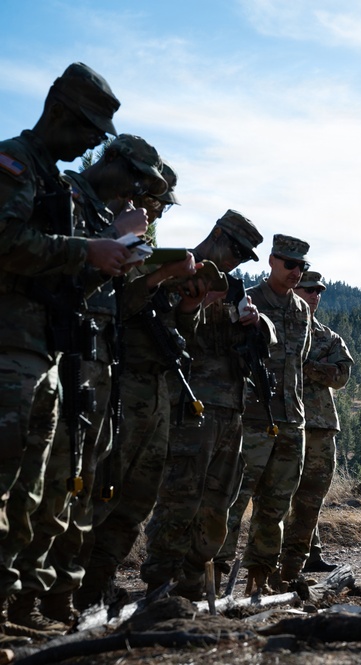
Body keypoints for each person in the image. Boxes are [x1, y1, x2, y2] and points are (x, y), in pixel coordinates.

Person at [8, 134, 169, 630]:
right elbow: (49, 274)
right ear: (113, 163)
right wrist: (111, 240)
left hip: (97, 363)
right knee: (37, 486)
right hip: (54, 353)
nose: (139, 196)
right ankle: (23, 596)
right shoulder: (66, 196)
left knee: (78, 487)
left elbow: (98, 296)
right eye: (137, 182)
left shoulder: (101, 213)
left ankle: (56, 597)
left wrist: (129, 260)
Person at [0, 62, 131, 637]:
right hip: (9, 345)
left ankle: (7, 610)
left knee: (28, 493)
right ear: (59, 111)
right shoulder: (12, 164)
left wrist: (109, 261)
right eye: (87, 132)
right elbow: (6, 242)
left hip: (44, 353)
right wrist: (87, 250)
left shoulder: (51, 179)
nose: (87, 148)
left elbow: (67, 280)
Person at [75, 163, 200, 610]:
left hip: (153, 389)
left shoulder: (145, 244)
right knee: (100, 492)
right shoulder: (107, 230)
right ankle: (65, 590)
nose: (159, 210)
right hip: (116, 382)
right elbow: (110, 304)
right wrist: (157, 278)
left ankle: (95, 587)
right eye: (157, 200)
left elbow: (161, 322)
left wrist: (186, 303)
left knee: (136, 500)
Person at [140, 210, 271, 600]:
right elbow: (155, 331)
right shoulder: (176, 272)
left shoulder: (234, 287)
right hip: (188, 402)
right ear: (215, 234)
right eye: (234, 249)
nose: (235, 259)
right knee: (180, 495)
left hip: (231, 407)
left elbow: (261, 344)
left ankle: (193, 582)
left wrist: (257, 323)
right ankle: (159, 580)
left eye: (243, 255)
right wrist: (191, 308)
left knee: (218, 503)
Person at [215, 234, 312, 596]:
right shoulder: (248, 301)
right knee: (234, 502)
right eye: (290, 264)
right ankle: (213, 576)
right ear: (272, 261)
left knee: (275, 506)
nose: (296, 272)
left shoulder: (302, 310)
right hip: (253, 420)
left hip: (292, 420)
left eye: (302, 266)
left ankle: (259, 578)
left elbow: (298, 366)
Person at [278, 271, 353, 582]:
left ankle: (308, 556)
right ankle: (274, 561)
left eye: (318, 291)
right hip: (280, 420)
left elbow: (342, 375)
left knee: (311, 495)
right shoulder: (279, 328)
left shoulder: (329, 337)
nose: (314, 296)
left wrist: (304, 367)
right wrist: (317, 369)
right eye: (308, 289)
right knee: (279, 493)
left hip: (319, 425)